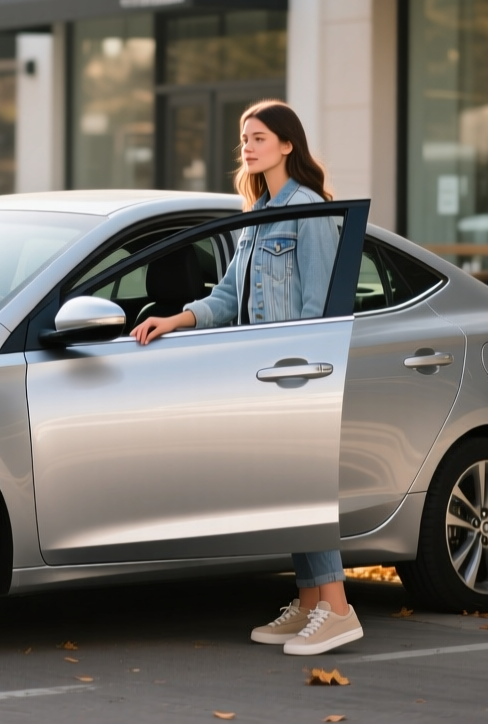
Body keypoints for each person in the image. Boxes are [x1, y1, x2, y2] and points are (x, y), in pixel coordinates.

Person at [130, 100, 363, 657]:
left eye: (259, 137)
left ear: (287, 145)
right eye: (244, 138)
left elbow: (319, 307)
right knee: (286, 489)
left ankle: (336, 608)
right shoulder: (257, 215)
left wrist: (307, 369)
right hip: (265, 373)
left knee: (303, 487)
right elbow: (228, 297)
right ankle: (310, 602)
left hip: (298, 370)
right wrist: (176, 320)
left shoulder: (308, 211)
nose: (248, 146)